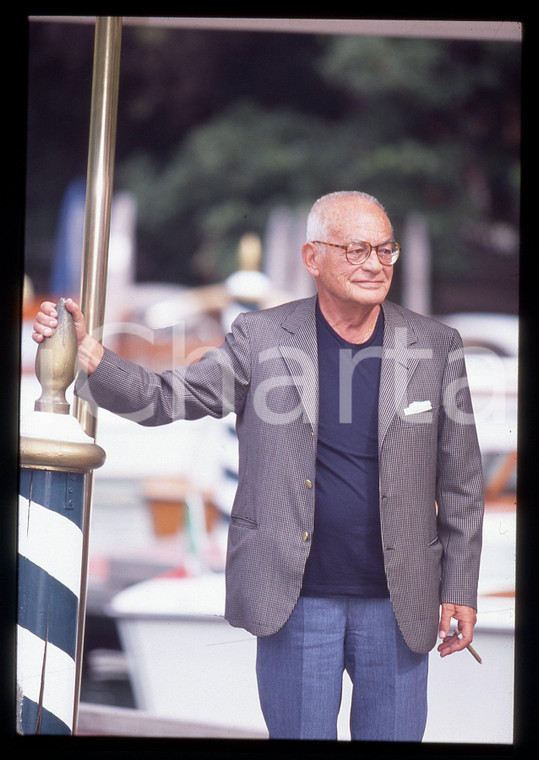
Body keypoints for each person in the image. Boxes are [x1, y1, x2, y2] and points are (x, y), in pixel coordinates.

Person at [33, 191, 484, 741]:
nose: (374, 264)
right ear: (312, 257)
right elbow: (165, 398)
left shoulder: (436, 346)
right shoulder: (262, 337)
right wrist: (91, 357)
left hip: (399, 605)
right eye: (356, 249)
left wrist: (459, 586)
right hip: (293, 600)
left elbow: (461, 482)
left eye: (385, 250)